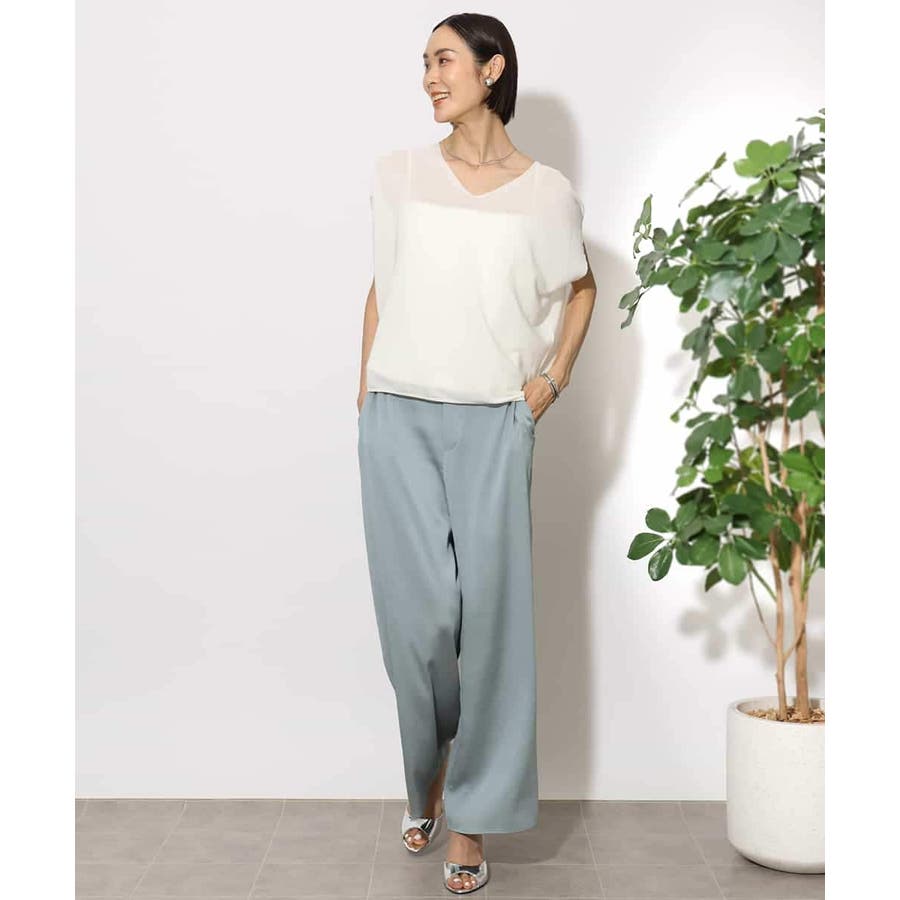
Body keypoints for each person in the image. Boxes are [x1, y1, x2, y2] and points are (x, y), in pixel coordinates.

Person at [357, 12, 596, 895]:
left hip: (496, 420)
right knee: (419, 627)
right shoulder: (399, 174)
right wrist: (366, 390)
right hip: (398, 418)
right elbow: (382, 285)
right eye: (424, 62)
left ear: (492, 71)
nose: (429, 76)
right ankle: (427, 770)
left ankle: (471, 820)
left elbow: (581, 287)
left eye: (445, 60)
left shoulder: (546, 193)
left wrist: (553, 380)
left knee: (492, 629)